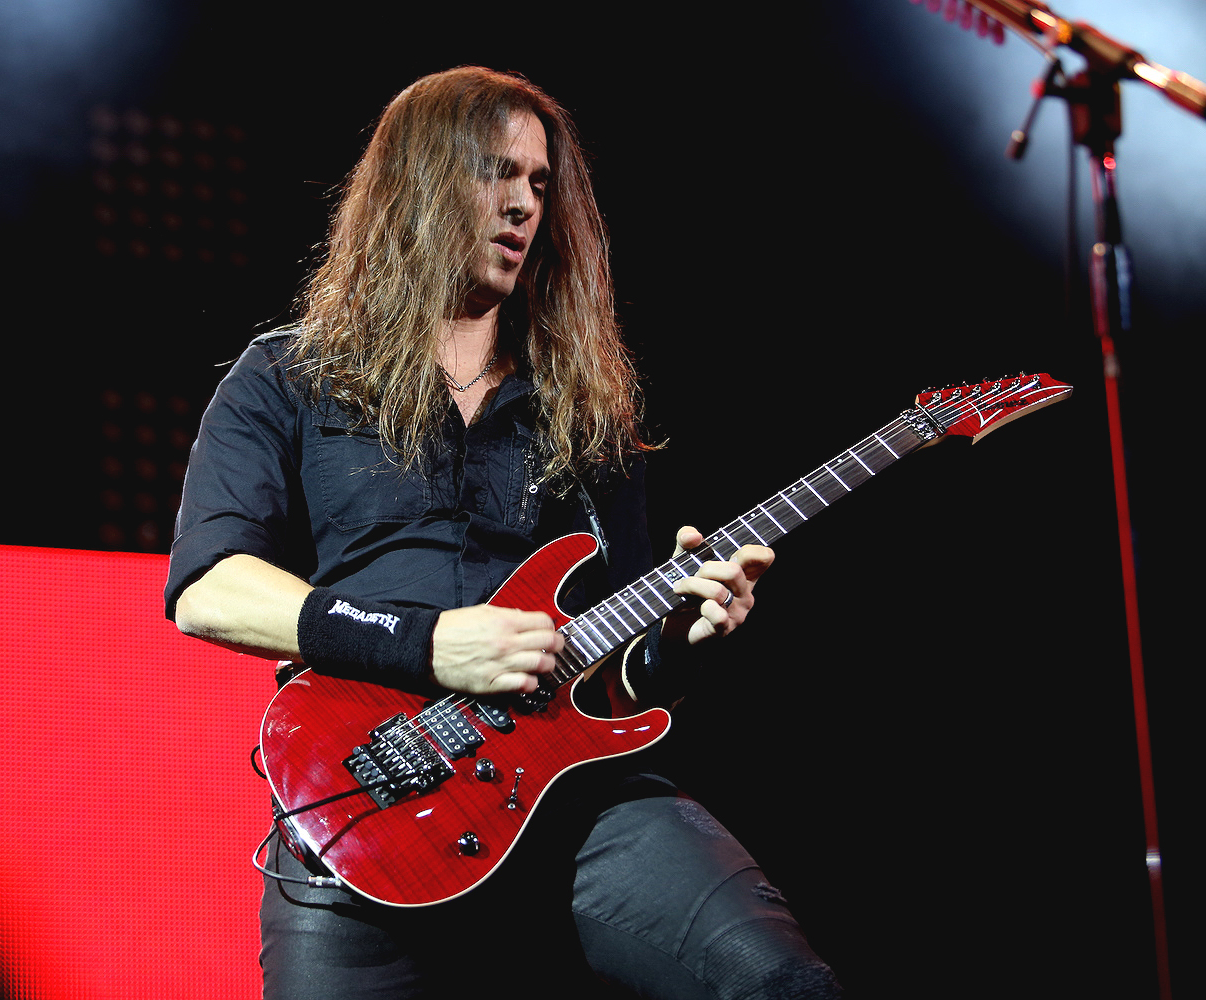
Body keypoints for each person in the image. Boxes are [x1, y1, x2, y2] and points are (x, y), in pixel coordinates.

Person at [166, 66, 840, 999]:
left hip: (572, 802)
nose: (524, 203)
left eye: (539, 182)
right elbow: (209, 589)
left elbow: (620, 673)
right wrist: (429, 643)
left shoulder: (585, 409)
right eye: (496, 172)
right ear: (417, 183)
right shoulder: (287, 378)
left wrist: (682, 638)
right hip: (365, 809)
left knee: (782, 982)